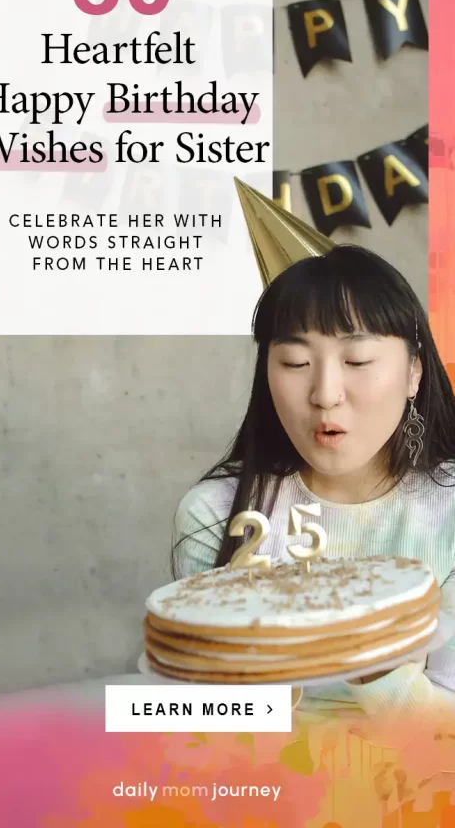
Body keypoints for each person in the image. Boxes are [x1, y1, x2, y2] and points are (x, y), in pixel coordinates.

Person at [172, 245, 455, 717]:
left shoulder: (448, 512)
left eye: (359, 360)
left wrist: (374, 663)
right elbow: (202, 732)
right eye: (295, 363)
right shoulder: (218, 515)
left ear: (414, 372)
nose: (325, 394)